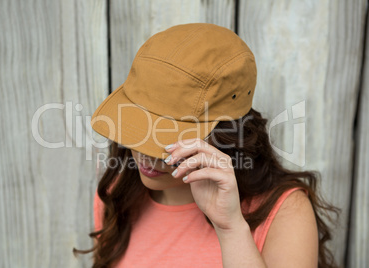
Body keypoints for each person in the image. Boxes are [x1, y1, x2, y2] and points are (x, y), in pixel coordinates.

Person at [73, 23, 339, 267]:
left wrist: (231, 229)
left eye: (168, 134)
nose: (144, 152)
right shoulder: (116, 193)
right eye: (137, 125)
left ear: (227, 133)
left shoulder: (285, 211)